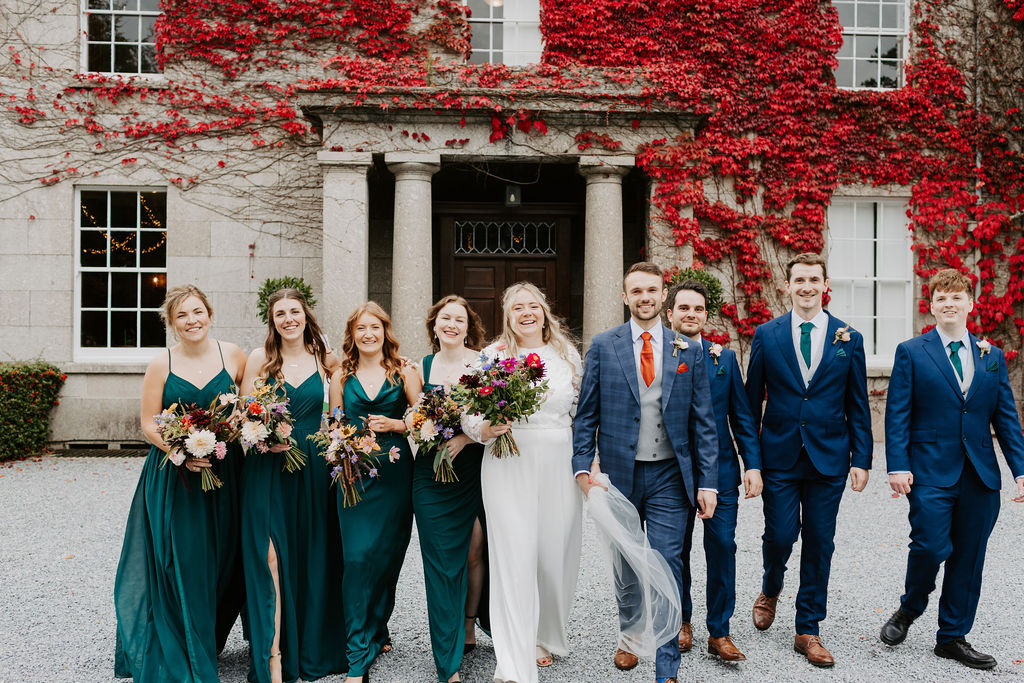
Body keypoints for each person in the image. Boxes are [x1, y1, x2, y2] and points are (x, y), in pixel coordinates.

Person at [572, 262, 718, 683]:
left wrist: (707, 481)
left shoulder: (687, 350)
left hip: (672, 475)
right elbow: (586, 416)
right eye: (636, 291)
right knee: (626, 561)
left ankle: (667, 664)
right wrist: (583, 468)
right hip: (619, 474)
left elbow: (703, 422)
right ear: (625, 297)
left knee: (668, 562)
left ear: (663, 295)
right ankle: (631, 636)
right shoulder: (603, 345)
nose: (644, 298)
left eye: (652, 290)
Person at [879, 268, 1024, 669]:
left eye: (956, 297)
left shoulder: (990, 356)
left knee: (969, 557)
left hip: (980, 475)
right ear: (932, 306)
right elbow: (898, 414)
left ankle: (952, 636)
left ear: (969, 304)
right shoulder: (912, 351)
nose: (949, 303)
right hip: (929, 470)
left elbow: (1006, 418)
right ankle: (910, 607)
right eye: (941, 297)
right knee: (929, 546)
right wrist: (897, 465)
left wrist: (1021, 470)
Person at [744, 252, 872, 667]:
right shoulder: (767, 334)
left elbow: (858, 403)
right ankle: (771, 587)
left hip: (829, 457)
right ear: (787, 285)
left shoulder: (848, 338)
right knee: (780, 535)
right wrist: (752, 462)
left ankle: (808, 628)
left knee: (820, 542)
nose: (806, 287)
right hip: (779, 454)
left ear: (824, 284)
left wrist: (862, 458)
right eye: (799, 280)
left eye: (814, 280)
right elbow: (749, 404)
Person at [114, 284, 247, 681]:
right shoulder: (161, 364)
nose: (192, 321)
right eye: (182, 316)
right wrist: (183, 453)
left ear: (209, 313)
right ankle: (185, 646)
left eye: (197, 312)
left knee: (226, 557)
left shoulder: (234, 355)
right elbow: (147, 422)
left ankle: (208, 634)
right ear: (172, 325)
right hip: (176, 478)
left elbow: (247, 406)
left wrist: (235, 428)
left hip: (227, 472)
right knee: (184, 559)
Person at [468, 282, 583, 683]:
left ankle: (544, 632)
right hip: (507, 460)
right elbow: (470, 410)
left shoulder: (567, 355)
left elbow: (582, 412)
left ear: (544, 310)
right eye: (518, 308)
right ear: (507, 314)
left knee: (553, 553)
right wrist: (484, 427)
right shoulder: (492, 356)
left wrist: (591, 462)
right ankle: (514, 657)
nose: (527, 313)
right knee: (514, 554)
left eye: (533, 306)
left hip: (558, 461)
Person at [239, 288, 346, 683]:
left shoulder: (326, 360)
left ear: (306, 316)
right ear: (272, 320)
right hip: (266, 466)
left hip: (313, 467)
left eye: (294, 312)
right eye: (280, 313)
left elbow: (340, 408)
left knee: (310, 553)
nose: (288, 319)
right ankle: (273, 654)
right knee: (270, 556)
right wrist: (263, 434)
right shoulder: (260, 360)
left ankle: (312, 644)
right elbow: (243, 414)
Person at [664, 279, 761, 662]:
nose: (691, 315)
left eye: (698, 309)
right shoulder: (660, 354)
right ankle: (681, 621)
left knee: (722, 546)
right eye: (684, 308)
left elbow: (741, 415)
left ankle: (719, 631)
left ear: (706, 315)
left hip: (720, 470)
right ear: (669, 313)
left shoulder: (724, 359)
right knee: (676, 551)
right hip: (671, 472)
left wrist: (752, 463)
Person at [329, 302, 421, 683]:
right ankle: (356, 653)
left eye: (374, 327)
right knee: (357, 560)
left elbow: (423, 418)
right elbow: (333, 424)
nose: (368, 334)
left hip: (396, 478)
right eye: (360, 329)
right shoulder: (340, 375)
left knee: (386, 560)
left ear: (385, 331)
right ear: (352, 335)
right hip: (353, 478)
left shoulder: (404, 372)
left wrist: (397, 424)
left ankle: (377, 627)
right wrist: (339, 447)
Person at [410, 295, 490, 683]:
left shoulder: (484, 362)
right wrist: (425, 428)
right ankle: (447, 660)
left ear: (467, 325)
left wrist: (465, 438)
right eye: (445, 318)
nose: (452, 325)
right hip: (430, 474)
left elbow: (499, 418)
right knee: (440, 563)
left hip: (474, 471)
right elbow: (414, 418)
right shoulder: (418, 367)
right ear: (435, 324)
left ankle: (470, 621)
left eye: (459, 319)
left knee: (476, 550)